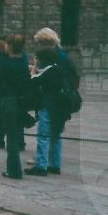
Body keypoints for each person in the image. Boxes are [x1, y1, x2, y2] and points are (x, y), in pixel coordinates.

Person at [25, 47, 71, 175]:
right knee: (56, 135)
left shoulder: (48, 71)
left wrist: (33, 71)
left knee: (43, 136)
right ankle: (55, 164)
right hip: (60, 107)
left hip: (48, 106)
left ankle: (41, 166)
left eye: (38, 59)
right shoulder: (58, 69)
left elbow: (32, 82)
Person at [0, 33, 31, 179]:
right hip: (21, 100)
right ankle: (14, 169)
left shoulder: (6, 63)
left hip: (8, 100)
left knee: (11, 137)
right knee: (16, 132)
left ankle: (14, 170)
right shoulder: (23, 61)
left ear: (9, 46)